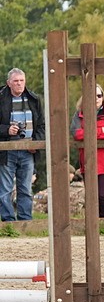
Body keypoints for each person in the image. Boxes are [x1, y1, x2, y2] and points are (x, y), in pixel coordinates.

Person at [0, 68, 45, 222]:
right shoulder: (1, 98)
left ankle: (26, 221)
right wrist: (7, 130)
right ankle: (8, 223)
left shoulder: (34, 99)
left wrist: (35, 143)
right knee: (5, 189)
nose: (19, 84)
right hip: (7, 150)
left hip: (28, 150)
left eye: (21, 81)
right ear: (8, 83)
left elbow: (42, 126)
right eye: (15, 81)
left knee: (25, 188)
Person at [70, 84, 104, 218]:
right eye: (92, 95)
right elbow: (76, 134)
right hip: (87, 160)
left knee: (102, 192)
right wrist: (100, 131)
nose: (96, 98)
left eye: (99, 95)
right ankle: (92, 220)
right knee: (90, 193)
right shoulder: (79, 113)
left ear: (103, 97)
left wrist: (88, 133)